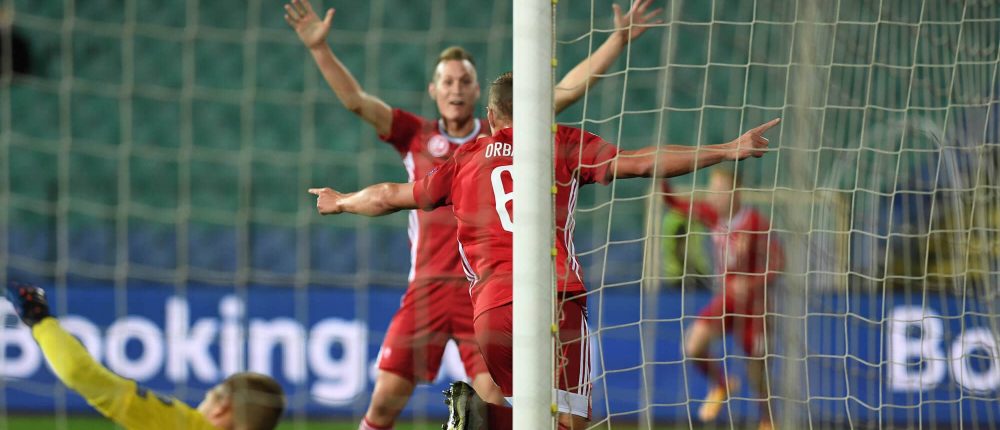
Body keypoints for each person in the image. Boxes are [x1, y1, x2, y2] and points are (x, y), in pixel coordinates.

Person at [306, 72, 780, 429]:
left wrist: (341, 201)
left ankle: (483, 417)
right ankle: (484, 417)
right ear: (540, 109)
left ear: (491, 118)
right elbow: (638, 163)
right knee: (568, 422)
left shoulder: (464, 158)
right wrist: (725, 149)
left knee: (534, 419)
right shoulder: (563, 142)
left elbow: (391, 194)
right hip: (553, 301)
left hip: (490, 312)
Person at [283, 1, 662, 429]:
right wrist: (319, 49)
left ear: (480, 94)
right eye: (447, 81)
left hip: (483, 291)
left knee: (495, 401)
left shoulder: (508, 132)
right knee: (386, 399)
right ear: (434, 90)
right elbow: (357, 102)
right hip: (428, 287)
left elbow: (567, 90)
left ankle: (473, 418)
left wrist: (616, 40)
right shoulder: (416, 135)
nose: (456, 89)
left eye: (464, 81)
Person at [5, 282, 286, 430]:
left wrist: (39, 319)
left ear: (222, 408)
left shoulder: (186, 426)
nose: (202, 403)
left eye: (209, 396)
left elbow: (79, 373)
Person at [663, 169, 784, 430]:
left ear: (735, 192)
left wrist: (750, 283)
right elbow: (674, 204)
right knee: (693, 346)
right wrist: (661, 176)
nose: (713, 195)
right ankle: (722, 383)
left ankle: (768, 420)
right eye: (711, 189)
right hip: (726, 302)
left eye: (719, 190)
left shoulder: (756, 222)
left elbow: (778, 263)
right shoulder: (711, 214)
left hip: (755, 308)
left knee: (757, 371)